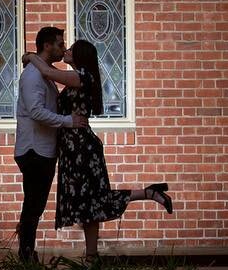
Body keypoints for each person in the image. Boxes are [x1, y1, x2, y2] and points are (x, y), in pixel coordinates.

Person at [23, 39, 173, 258]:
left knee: (92, 199)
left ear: (80, 55)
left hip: (81, 148)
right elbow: (49, 70)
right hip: (74, 147)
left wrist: (29, 56)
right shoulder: (78, 76)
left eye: (71, 49)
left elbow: (46, 71)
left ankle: (149, 194)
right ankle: (92, 256)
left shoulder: (81, 77)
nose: (66, 50)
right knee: (88, 202)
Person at [14, 27, 90, 263]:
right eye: (59, 43)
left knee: (35, 206)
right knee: (33, 205)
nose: (62, 47)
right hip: (34, 149)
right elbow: (36, 112)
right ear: (47, 46)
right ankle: (26, 255)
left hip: (44, 149)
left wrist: (29, 56)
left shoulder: (43, 73)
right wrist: (69, 121)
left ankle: (27, 251)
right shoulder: (33, 76)